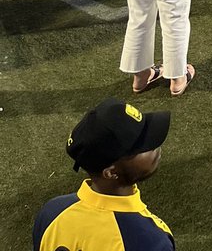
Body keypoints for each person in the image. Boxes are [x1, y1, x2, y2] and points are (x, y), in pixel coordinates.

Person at [33, 98, 174, 251]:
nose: (156, 146)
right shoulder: (150, 240)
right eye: (141, 146)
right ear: (111, 172)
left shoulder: (52, 212)